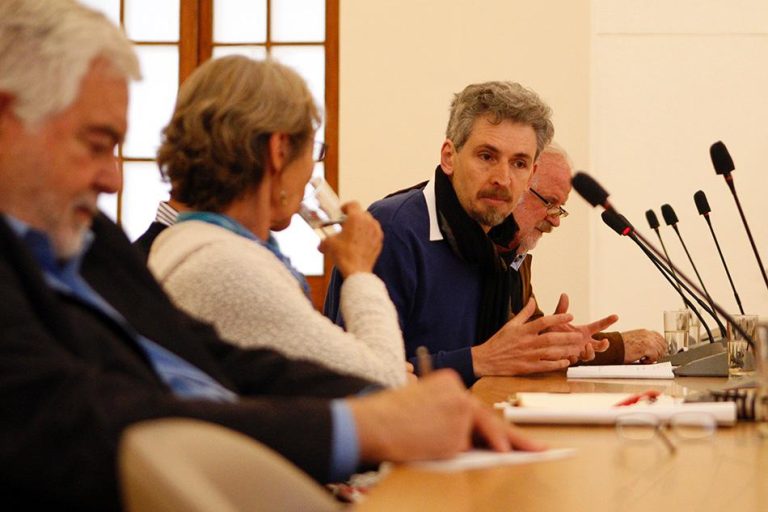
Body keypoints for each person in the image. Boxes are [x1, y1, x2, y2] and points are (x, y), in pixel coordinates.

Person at [0, 1, 541, 508]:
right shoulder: (216, 259)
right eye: (96, 143)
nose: (112, 177)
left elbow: (217, 357)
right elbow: (84, 416)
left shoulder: (90, 243)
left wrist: (396, 407)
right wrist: (367, 419)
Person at [146, 55, 407, 387]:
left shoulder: (183, 240)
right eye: (312, 151)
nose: (312, 169)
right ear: (279, 150)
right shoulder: (227, 265)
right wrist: (359, 270)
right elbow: (381, 382)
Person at [325, 81, 608, 386]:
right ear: (449, 156)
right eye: (487, 156)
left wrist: (542, 344)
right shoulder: (393, 228)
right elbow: (355, 375)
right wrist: (480, 360)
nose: (503, 178)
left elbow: (502, 354)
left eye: (519, 163)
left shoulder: (502, 239)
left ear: (531, 175)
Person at [509, 144, 667, 363]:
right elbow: (508, 350)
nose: (555, 220)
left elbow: (533, 338)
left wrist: (561, 339)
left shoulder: (517, 257)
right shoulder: (484, 251)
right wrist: (620, 347)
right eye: (550, 202)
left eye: (560, 208)